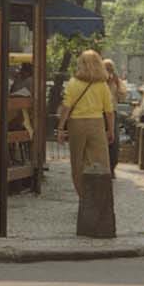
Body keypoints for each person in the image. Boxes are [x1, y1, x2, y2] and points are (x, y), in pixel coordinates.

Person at [56, 50, 116, 196]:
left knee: (77, 161)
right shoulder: (102, 85)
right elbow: (109, 111)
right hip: (97, 124)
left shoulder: (73, 83)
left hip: (76, 124)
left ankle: (82, 196)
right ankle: (98, 195)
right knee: (100, 161)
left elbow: (66, 107)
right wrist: (110, 130)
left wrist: (61, 128)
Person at [103, 58, 128, 176]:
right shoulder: (99, 81)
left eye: (110, 69)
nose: (108, 71)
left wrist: (117, 82)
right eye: (106, 69)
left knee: (114, 142)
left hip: (112, 112)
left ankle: (112, 167)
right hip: (100, 112)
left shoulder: (116, 81)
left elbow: (123, 96)